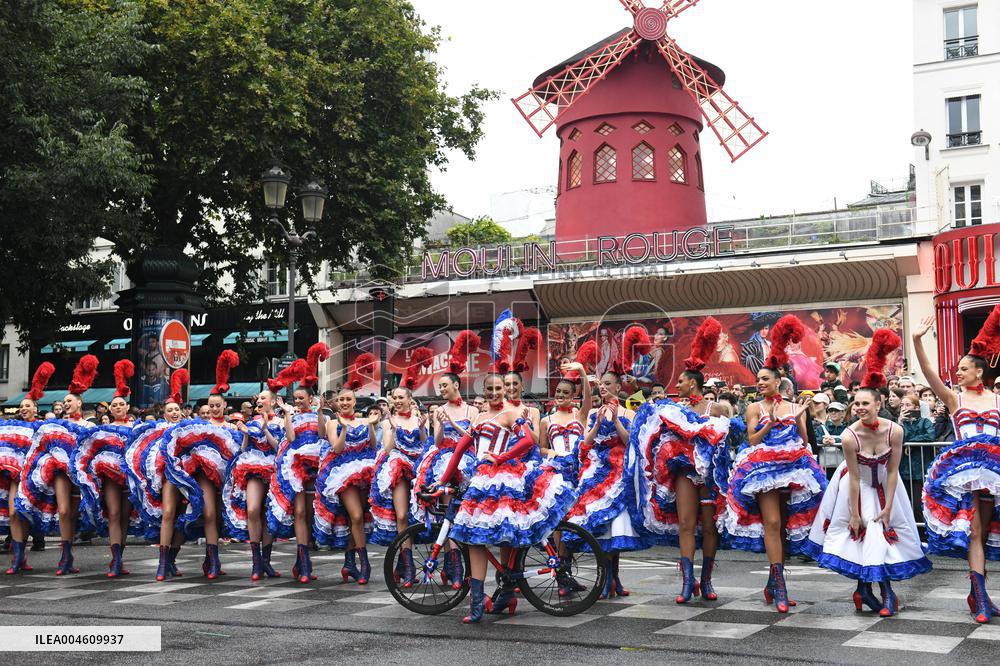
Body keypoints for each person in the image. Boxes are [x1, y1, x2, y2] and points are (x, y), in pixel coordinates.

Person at [805, 330, 931, 616]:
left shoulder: (896, 431)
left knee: (884, 536)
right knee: (869, 536)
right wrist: (853, 512)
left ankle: (866, 591)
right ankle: (885, 595)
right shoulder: (850, 435)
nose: (860, 408)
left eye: (865, 403)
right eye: (856, 403)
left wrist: (888, 508)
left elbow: (893, 470)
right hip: (856, 486)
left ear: (879, 404)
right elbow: (853, 476)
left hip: (888, 486)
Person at [434, 372, 575, 623]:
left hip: (505, 478)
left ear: (505, 390)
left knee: (508, 534)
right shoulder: (478, 417)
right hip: (479, 479)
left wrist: (501, 458)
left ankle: (507, 589)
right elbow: (458, 451)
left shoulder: (511, 413)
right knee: (474, 538)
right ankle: (477, 604)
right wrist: (442, 480)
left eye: (498, 388)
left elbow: (526, 444)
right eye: (490, 388)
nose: (494, 392)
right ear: (485, 390)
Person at [724, 315, 827, 613]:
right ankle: (780, 585)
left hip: (794, 467)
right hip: (764, 468)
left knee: (784, 525)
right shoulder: (754, 407)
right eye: (758, 380)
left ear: (778, 381)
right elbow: (753, 440)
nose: (759, 384)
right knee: (771, 523)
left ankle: (774, 581)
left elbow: (805, 441)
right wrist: (768, 425)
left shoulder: (796, 406)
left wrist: (799, 419)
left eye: (764, 379)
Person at [631, 317, 731, 603]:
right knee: (686, 524)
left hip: (710, 476)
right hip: (684, 473)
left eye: (683, 381)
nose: (679, 384)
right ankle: (687, 583)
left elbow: (725, 441)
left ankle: (706, 580)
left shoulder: (717, 408)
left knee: (710, 527)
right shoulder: (673, 409)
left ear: (694, 384)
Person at [913, 309, 1000, 623]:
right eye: (957, 368)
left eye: (963, 368)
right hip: (963, 474)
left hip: (993, 475)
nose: (958, 372)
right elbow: (927, 372)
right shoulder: (954, 399)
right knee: (974, 531)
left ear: (979, 371)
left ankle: (981, 592)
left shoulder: (996, 400)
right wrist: (916, 339)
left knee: (988, 530)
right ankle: (978, 597)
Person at [161, 351, 243, 579]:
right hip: (201, 480)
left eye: (217, 406)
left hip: (227, 482)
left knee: (216, 519)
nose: (214, 409)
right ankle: (171, 558)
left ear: (225, 405)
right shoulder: (198, 429)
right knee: (201, 516)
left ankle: (210, 560)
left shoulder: (233, 427)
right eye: (210, 406)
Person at [16, 355, 99, 574]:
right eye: (64, 402)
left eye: (70, 401)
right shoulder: (56, 424)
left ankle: (70, 553)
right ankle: (65, 557)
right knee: (63, 511)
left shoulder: (88, 425)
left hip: (80, 474)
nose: (66, 404)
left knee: (74, 514)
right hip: (62, 472)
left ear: (79, 402)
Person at [411, 331, 481, 588]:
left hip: (466, 458)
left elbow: (472, 438)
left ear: (455, 386)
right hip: (443, 458)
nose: (440, 389)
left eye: (443, 385)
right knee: (447, 511)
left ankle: (462, 563)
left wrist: (452, 422)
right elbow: (438, 441)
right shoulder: (438, 411)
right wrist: (439, 425)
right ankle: (453, 564)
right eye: (439, 386)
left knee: (465, 511)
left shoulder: (471, 410)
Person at [563, 370, 640, 598]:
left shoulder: (629, 412)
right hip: (598, 471)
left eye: (608, 384)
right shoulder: (594, 411)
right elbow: (586, 443)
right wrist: (597, 423)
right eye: (602, 384)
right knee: (602, 526)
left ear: (618, 387)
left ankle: (613, 577)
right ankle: (607, 578)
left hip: (619, 472)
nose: (604, 387)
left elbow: (629, 442)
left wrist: (616, 419)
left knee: (615, 526)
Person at [369, 349, 432, 587]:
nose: (397, 400)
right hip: (398, 466)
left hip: (419, 467)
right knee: (402, 515)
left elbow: (426, 444)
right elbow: (386, 449)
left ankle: (408, 563)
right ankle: (407, 565)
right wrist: (393, 429)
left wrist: (424, 427)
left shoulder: (418, 419)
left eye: (400, 397)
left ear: (409, 399)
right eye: (394, 397)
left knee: (422, 517)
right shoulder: (388, 421)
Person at [73, 360, 141, 577]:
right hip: (110, 478)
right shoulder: (103, 429)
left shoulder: (136, 428)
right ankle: (115, 560)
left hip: (129, 477)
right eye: (115, 405)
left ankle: (120, 557)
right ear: (110, 409)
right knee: (113, 513)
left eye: (122, 404)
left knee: (124, 517)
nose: (118, 407)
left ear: (128, 407)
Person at [127, 369, 188, 581]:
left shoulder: (189, 428)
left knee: (185, 518)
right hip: (168, 478)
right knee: (169, 514)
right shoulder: (160, 428)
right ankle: (162, 563)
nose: (174, 412)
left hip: (189, 480)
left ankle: (171, 559)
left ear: (182, 412)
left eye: (177, 409)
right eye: (170, 410)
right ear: (164, 414)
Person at [314, 387, 379, 584]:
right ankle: (364, 563)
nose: (344, 402)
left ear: (354, 401)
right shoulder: (332, 422)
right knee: (357, 516)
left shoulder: (363, 420)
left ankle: (350, 562)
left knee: (357, 520)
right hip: (342, 472)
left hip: (364, 470)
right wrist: (343, 428)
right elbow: (337, 448)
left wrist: (371, 426)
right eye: (341, 399)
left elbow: (373, 445)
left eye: (348, 399)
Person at [539, 360, 592, 596]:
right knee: (559, 521)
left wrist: (581, 371)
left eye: (566, 393)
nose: (561, 395)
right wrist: (552, 452)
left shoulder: (579, 415)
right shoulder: (546, 420)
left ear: (574, 395)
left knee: (573, 522)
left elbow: (589, 398)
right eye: (558, 392)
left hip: (578, 472)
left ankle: (566, 572)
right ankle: (561, 574)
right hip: (556, 473)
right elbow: (540, 448)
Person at [2, 363, 53, 574]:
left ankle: (22, 555)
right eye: (21, 406)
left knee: (25, 514)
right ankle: (18, 556)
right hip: (15, 476)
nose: (23, 408)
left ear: (36, 409)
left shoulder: (42, 428)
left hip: (34, 478)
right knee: (14, 513)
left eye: (27, 406)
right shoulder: (11, 427)